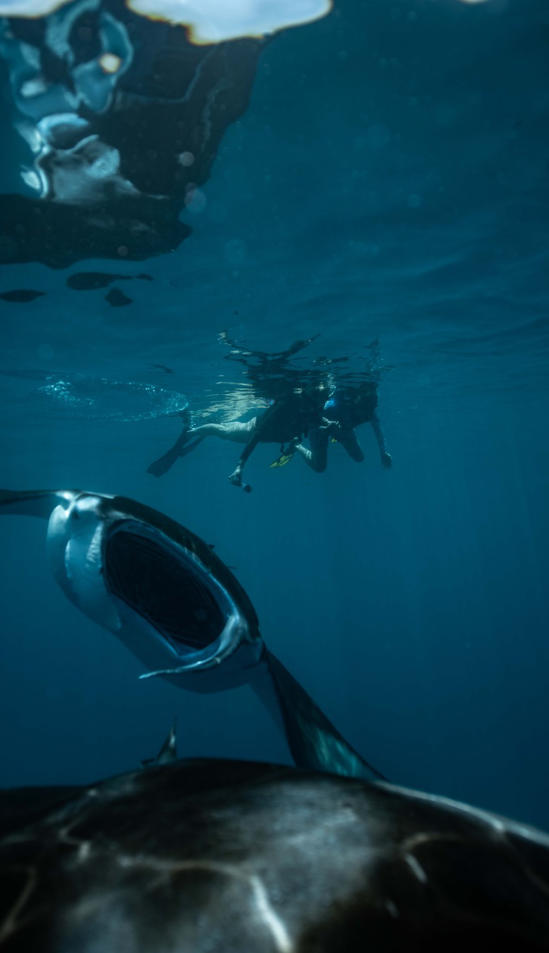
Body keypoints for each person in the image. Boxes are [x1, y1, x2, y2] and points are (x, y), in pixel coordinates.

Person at [281, 379, 392, 473]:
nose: (368, 410)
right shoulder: (338, 402)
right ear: (358, 398)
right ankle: (296, 445)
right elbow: (314, 415)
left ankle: (335, 435)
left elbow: (378, 429)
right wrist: (326, 425)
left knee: (359, 458)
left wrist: (383, 451)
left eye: (372, 405)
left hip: (341, 430)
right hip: (321, 427)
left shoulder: (370, 410)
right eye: (366, 403)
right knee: (319, 466)